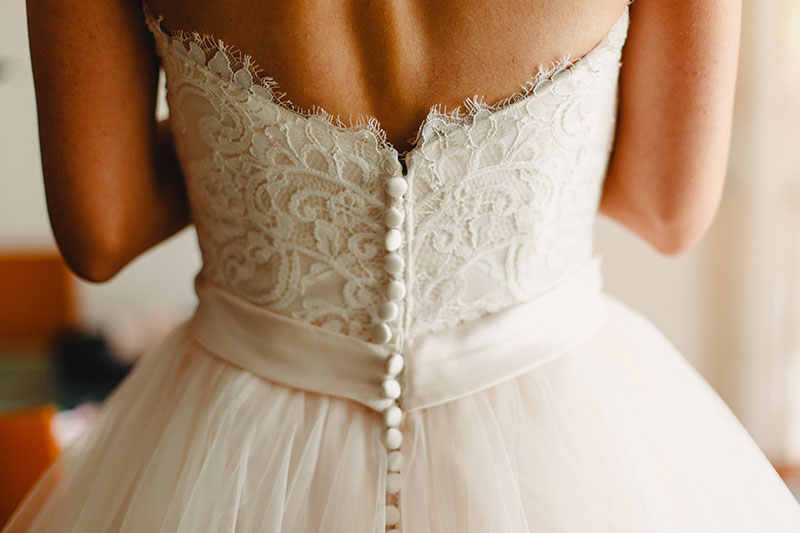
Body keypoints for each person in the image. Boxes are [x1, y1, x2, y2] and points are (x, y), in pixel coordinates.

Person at [7, 0, 800, 531]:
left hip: (233, 440)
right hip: (561, 428)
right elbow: (668, 203)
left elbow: (101, 227)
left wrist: (244, 157)